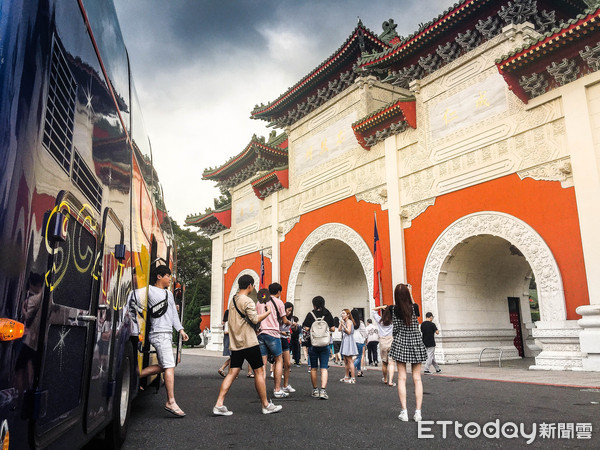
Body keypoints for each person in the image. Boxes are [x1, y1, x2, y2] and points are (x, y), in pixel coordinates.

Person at [213, 274, 282, 415]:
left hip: (236, 342)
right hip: (249, 342)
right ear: (250, 285)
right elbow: (255, 319)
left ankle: (219, 404)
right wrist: (268, 312)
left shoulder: (233, 300)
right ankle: (265, 405)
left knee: (232, 373)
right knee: (259, 371)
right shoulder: (248, 301)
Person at [140, 265, 189, 418]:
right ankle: (171, 401)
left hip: (166, 334)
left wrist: (180, 330)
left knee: (165, 365)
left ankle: (137, 374)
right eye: (167, 275)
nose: (170, 278)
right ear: (159, 277)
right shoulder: (148, 290)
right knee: (169, 366)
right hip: (159, 333)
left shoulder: (169, 294)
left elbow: (174, 315)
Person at [389, 283, 427, 422]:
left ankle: (404, 411)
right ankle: (418, 413)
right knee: (417, 378)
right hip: (416, 342)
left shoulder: (394, 310)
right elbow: (416, 312)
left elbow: (395, 329)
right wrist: (410, 293)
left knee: (401, 378)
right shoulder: (414, 308)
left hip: (401, 342)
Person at [256, 284, 291, 398]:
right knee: (278, 360)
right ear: (279, 292)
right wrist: (291, 323)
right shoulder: (279, 302)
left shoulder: (259, 302)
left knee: (263, 363)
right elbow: (284, 320)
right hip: (273, 334)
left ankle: (262, 390)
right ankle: (277, 389)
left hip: (261, 333)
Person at [302, 296, 335, 399]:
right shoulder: (327, 314)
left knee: (314, 368)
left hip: (314, 344)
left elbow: (306, 328)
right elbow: (333, 328)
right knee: (324, 368)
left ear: (314, 304)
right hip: (325, 344)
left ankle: (315, 390)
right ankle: (323, 391)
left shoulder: (310, 314)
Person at [372, 304, 395, 387]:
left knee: (384, 362)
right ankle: (391, 381)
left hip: (382, 341)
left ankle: (385, 378)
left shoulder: (380, 321)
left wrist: (381, 307)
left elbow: (373, 310)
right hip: (391, 340)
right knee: (391, 363)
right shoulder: (393, 321)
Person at [281, 301, 298, 389]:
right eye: (288, 310)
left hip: (285, 340)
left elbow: (292, 328)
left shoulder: (291, 319)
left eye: (291, 311)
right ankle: (278, 386)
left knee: (287, 363)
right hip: (278, 338)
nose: (289, 312)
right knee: (279, 363)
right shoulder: (280, 318)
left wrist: (294, 325)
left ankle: (286, 384)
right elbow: (274, 328)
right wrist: (282, 332)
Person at [338, 309, 357, 384]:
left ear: (348, 315)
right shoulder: (345, 322)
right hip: (345, 340)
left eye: (343, 313)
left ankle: (353, 378)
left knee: (350, 360)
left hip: (349, 340)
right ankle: (346, 376)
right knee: (345, 360)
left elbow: (349, 332)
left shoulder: (349, 322)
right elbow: (339, 330)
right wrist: (341, 323)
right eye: (341, 313)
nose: (342, 315)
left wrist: (343, 325)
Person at [352, 309, 367, 377]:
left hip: (352, 340)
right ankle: (352, 368)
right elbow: (364, 333)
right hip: (359, 340)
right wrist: (365, 339)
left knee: (354, 356)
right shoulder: (360, 322)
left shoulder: (350, 322)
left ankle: (359, 371)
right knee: (359, 356)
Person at [218, 310, 231, 377]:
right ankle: (225, 370)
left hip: (228, 340)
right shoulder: (228, 322)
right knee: (233, 356)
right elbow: (226, 332)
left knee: (233, 357)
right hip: (229, 340)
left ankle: (229, 372)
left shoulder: (226, 322)